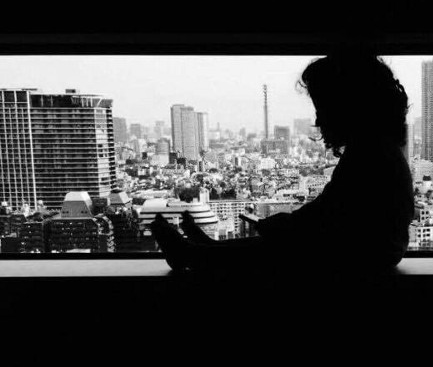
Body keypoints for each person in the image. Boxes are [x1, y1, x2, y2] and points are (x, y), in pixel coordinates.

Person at [151, 50, 414, 276]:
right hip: (372, 251)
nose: (319, 121)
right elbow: (331, 212)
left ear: (348, 109)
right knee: (277, 244)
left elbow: (328, 217)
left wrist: (286, 225)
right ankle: (203, 250)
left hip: (362, 255)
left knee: (278, 248)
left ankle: (195, 254)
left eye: (323, 110)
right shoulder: (376, 149)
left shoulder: (369, 155)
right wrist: (288, 224)